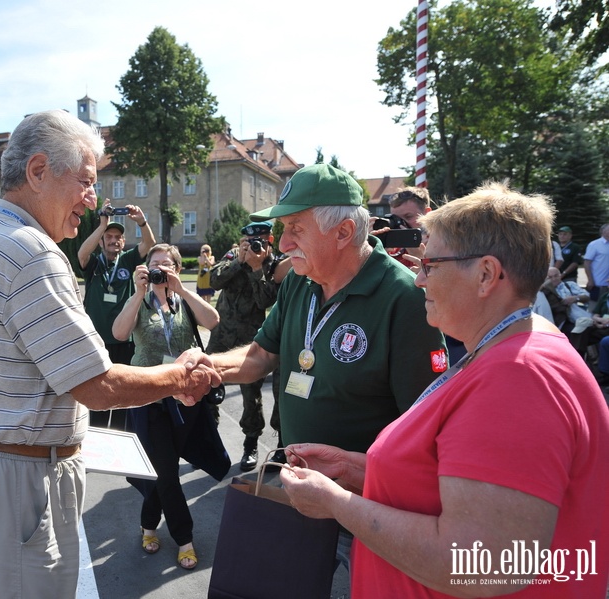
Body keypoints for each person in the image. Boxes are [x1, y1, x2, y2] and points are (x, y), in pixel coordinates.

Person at [0, 110, 219, 599]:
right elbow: (94, 384)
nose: (94, 199)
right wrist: (178, 375)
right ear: (38, 172)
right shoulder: (30, 253)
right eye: (85, 181)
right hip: (11, 489)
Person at [279, 182, 609, 598]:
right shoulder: (514, 351)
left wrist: (335, 503)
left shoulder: (518, 377)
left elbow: (487, 565)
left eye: (430, 265)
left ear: (486, 274)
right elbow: (460, 486)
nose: (416, 279)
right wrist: (358, 471)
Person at [177, 164, 447, 580]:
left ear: (342, 232)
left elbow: (424, 430)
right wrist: (206, 366)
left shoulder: (404, 297)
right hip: (299, 487)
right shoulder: (298, 282)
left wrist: (360, 485)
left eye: (295, 229)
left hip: (367, 507)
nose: (282, 243)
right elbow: (260, 356)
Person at [111, 243, 227, 571]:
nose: (161, 269)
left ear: (176, 268)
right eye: (155, 263)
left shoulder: (182, 302)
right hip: (148, 397)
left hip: (186, 397)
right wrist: (137, 292)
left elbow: (213, 320)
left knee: (164, 469)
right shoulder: (140, 301)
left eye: (167, 264)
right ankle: (184, 537)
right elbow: (118, 333)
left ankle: (148, 524)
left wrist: (183, 289)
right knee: (165, 469)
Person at [206, 220, 285, 471]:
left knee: (251, 394)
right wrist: (239, 262)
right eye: (251, 241)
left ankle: (250, 443)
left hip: (251, 339)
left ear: (270, 240)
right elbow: (214, 281)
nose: (255, 245)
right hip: (222, 335)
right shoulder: (234, 256)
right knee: (206, 384)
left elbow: (265, 300)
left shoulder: (276, 264)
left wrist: (256, 268)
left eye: (261, 239)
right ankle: (209, 438)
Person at [77, 199, 155, 429]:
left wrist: (141, 221)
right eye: (108, 237)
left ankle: (121, 441)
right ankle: (98, 442)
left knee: (122, 395)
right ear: (102, 241)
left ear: (122, 241)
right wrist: (102, 224)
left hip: (123, 341)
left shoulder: (129, 259)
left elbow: (149, 243)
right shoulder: (94, 265)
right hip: (96, 341)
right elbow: (82, 253)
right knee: (98, 397)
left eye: (117, 237)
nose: (113, 240)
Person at [583, 223, 609, 301]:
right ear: (603, 231)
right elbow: (587, 263)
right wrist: (590, 280)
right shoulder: (594, 245)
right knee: (595, 309)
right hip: (598, 284)